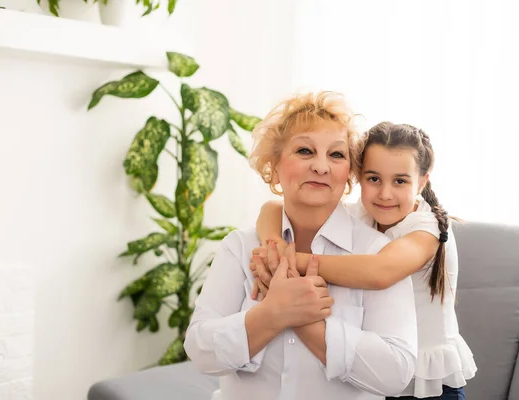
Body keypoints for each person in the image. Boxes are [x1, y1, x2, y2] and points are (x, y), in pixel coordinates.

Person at [184, 93, 418, 400]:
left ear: (349, 173)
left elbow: (396, 372)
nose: (321, 167)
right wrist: (272, 314)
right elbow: (200, 350)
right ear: (274, 165)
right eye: (305, 150)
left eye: (336, 155)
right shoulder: (240, 247)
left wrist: (302, 318)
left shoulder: (377, 253)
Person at [252, 122, 477, 399]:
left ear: (421, 181)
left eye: (400, 181)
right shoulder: (360, 216)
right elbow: (271, 207)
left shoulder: (427, 227)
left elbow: (379, 272)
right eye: (373, 179)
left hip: (430, 386)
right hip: (375, 379)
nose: (385, 193)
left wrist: (289, 262)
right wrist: (272, 245)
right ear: (357, 177)